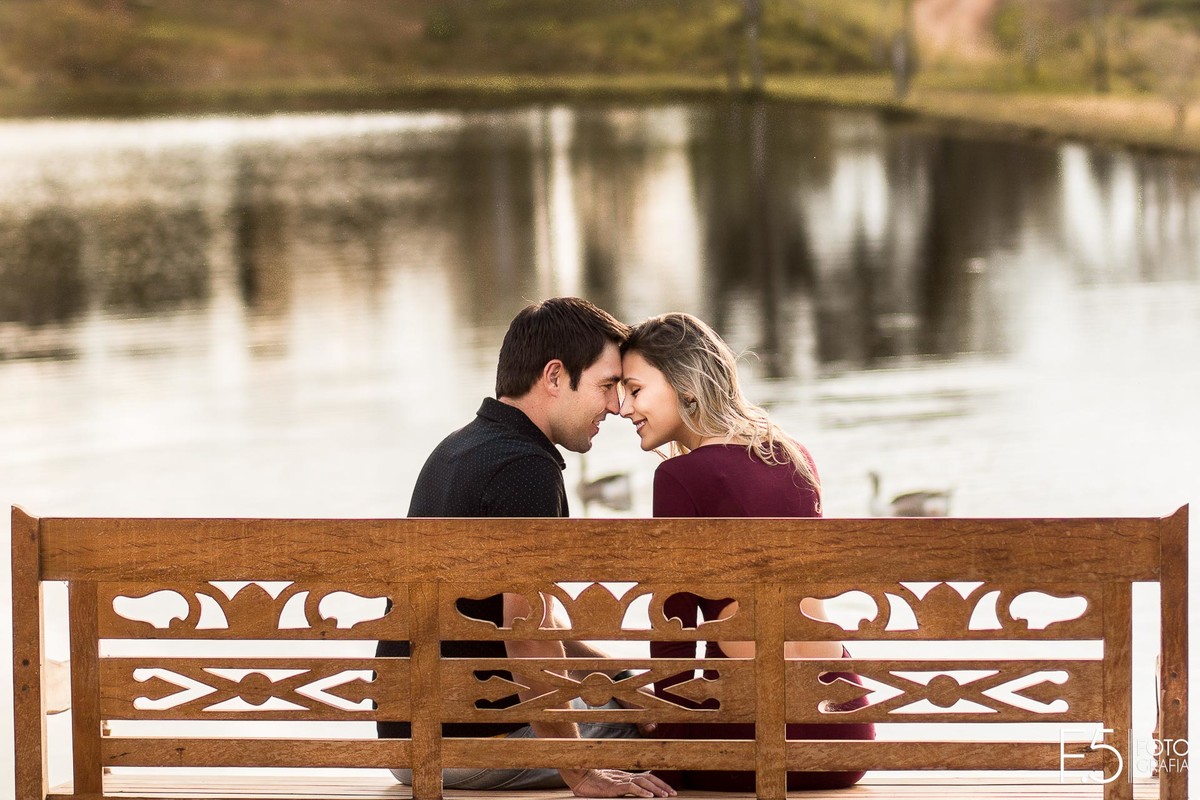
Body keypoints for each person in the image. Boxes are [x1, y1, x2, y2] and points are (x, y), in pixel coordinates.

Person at [379, 297, 675, 799]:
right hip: (469, 747)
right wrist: (579, 772)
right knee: (669, 731)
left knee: (628, 703)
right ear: (555, 376)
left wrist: (619, 679)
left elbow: (534, 623)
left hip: (406, 739)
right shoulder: (526, 469)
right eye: (605, 385)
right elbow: (528, 633)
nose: (614, 406)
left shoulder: (457, 449)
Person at [618, 311, 874, 792]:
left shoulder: (678, 477)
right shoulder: (793, 455)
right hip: (847, 735)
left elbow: (673, 632)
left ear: (684, 386)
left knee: (614, 717)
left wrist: (668, 761)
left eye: (634, 390)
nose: (624, 408)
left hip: (757, 742)